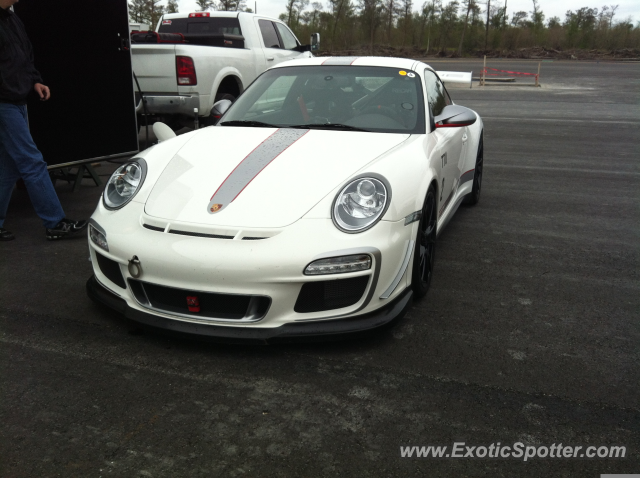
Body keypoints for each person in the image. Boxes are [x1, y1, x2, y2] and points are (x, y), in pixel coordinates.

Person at [0, 0, 86, 241]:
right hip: (3, 103)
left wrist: (35, 80)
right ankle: (55, 223)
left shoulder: (12, 18)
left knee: (7, 168)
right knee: (32, 161)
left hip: (18, 100)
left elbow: (25, 56)